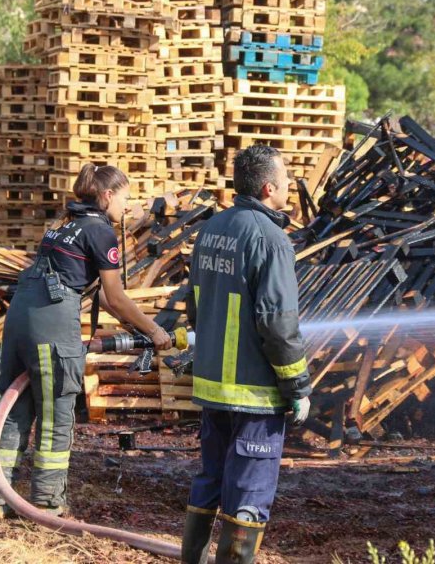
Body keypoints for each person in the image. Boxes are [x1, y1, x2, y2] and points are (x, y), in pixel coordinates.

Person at [0, 163, 172, 519]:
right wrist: (154, 331)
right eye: (125, 198)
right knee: (55, 412)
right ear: (107, 195)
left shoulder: (63, 226)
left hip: (19, 318)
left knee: (14, 411)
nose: (127, 207)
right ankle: (46, 504)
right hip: (50, 326)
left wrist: (135, 325)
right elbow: (115, 297)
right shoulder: (100, 232)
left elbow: (91, 292)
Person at [180, 145, 312, 563]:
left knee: (210, 481)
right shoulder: (271, 240)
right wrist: (297, 386)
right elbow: (277, 323)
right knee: (249, 495)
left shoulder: (214, 229)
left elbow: (195, 306)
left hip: (213, 386)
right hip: (254, 393)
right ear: (269, 186)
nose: (291, 185)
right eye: (286, 178)